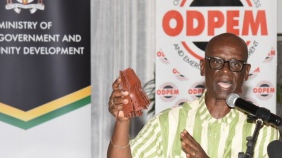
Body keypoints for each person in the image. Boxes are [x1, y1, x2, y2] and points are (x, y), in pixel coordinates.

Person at [107, 33, 280, 158]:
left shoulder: (263, 130)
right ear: (203, 67)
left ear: (246, 72)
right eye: (217, 62)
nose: (226, 71)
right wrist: (123, 122)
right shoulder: (169, 122)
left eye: (235, 64)